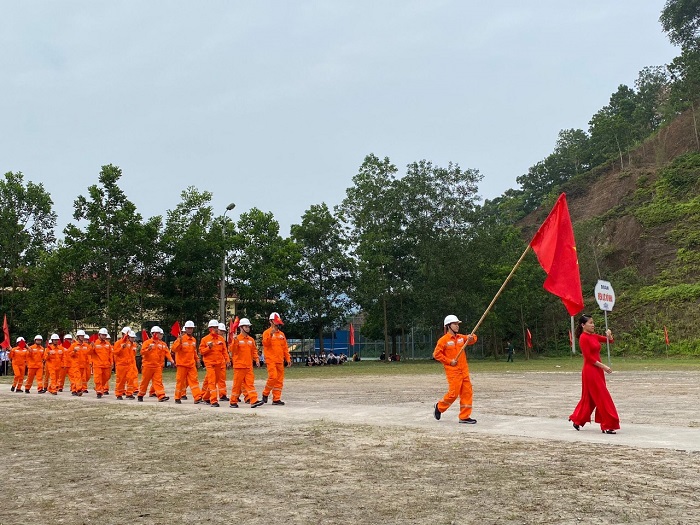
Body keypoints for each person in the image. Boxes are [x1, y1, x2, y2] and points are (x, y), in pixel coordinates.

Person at [568, 314, 620, 434]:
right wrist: (604, 367)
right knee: (602, 396)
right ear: (583, 325)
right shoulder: (583, 338)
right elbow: (589, 358)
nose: (593, 325)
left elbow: (609, 341)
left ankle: (578, 419)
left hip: (598, 370)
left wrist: (609, 335)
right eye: (590, 323)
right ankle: (608, 424)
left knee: (590, 398)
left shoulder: (594, 336)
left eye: (593, 322)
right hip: (590, 371)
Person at [433, 315, 478, 424]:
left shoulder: (461, 338)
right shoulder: (443, 340)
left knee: (467, 393)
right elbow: (436, 354)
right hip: (453, 372)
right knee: (453, 394)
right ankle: (439, 407)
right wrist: (449, 361)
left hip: (464, 371)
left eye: (458, 324)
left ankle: (464, 416)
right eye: (455, 324)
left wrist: (472, 337)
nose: (457, 326)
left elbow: (472, 339)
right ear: (448, 326)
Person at [228, 317, 264, 408]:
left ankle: (254, 400)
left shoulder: (251, 340)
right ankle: (233, 401)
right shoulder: (237, 339)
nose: (248, 328)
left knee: (250, 384)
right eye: (246, 326)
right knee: (237, 385)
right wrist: (235, 341)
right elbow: (232, 350)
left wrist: (257, 359)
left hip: (248, 366)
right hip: (239, 366)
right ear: (241, 327)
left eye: (248, 326)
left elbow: (254, 351)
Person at [261, 312, 291, 405]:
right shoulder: (266, 333)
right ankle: (265, 393)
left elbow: (285, 348)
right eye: (275, 321)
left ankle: (276, 399)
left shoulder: (281, 334)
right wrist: (270, 334)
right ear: (270, 321)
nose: (277, 323)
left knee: (279, 380)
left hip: (280, 360)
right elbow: (265, 344)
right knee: (273, 377)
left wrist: (288, 358)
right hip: (271, 360)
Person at [171, 320, 203, 404]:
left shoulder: (193, 340)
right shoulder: (180, 338)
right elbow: (174, 349)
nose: (190, 330)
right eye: (188, 328)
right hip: (182, 364)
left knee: (194, 381)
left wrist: (197, 360)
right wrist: (179, 341)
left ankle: (197, 397)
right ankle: (177, 397)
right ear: (185, 329)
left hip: (191, 364)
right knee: (180, 382)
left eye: (191, 328)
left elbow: (194, 352)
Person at [137, 326, 173, 402]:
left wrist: (171, 360)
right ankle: (140, 395)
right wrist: (148, 349)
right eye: (157, 333)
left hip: (157, 366)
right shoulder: (147, 342)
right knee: (145, 382)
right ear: (152, 334)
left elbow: (167, 353)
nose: (159, 335)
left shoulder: (163, 344)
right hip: (147, 366)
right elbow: (142, 352)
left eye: (160, 334)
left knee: (158, 381)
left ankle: (161, 396)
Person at [199, 319, 229, 407]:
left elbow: (224, 351)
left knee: (214, 382)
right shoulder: (205, 339)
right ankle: (213, 400)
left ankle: (206, 397)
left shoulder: (221, 339)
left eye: (216, 327)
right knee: (212, 382)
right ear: (209, 329)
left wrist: (227, 360)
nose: (216, 329)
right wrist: (209, 348)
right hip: (209, 364)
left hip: (219, 364)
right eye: (214, 327)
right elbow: (201, 352)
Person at [90, 328, 113, 398]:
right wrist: (91, 347)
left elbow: (110, 354)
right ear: (99, 335)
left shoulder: (108, 344)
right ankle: (99, 391)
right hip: (97, 365)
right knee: (98, 378)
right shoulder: (95, 343)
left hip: (106, 365)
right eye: (103, 335)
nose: (104, 336)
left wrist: (111, 362)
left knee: (107, 377)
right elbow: (89, 352)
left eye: (105, 335)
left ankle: (98, 388)